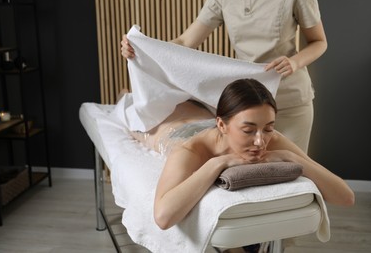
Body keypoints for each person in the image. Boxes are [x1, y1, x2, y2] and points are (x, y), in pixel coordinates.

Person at [125, 78, 354, 231]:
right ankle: (124, 96)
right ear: (222, 125)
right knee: (135, 118)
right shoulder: (190, 151)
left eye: (268, 127)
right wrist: (219, 162)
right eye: (248, 130)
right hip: (171, 132)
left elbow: (346, 197)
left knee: (189, 107)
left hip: (203, 117)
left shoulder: (270, 139)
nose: (259, 141)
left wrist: (292, 157)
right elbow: (163, 217)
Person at [121, 0, 328, 154]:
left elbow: (319, 42)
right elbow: (185, 42)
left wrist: (294, 62)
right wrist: (142, 49)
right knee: (253, 177)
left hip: (290, 102)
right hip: (248, 105)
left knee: (292, 177)